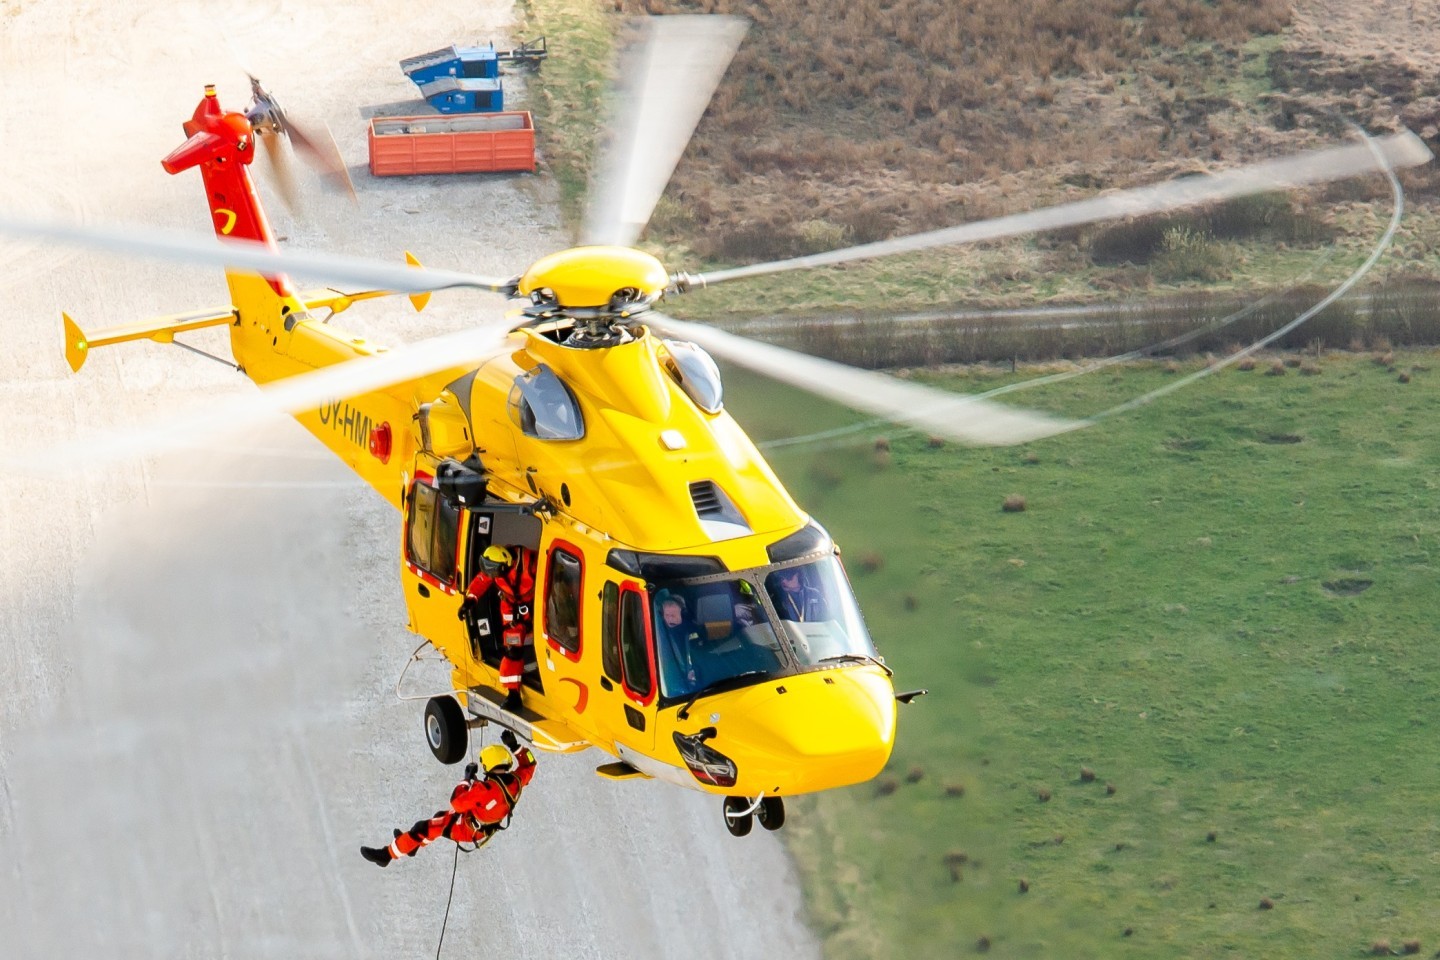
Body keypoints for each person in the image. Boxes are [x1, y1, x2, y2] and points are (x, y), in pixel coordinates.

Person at [360, 730, 537, 868]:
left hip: (467, 829)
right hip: (482, 826)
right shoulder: (515, 782)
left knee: (423, 827)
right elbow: (530, 763)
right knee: (438, 817)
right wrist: (516, 748)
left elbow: (457, 802)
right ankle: (412, 845)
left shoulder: (482, 790)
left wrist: (466, 779)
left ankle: (387, 855)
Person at [459, 544, 536, 713]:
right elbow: (481, 580)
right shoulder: (494, 568)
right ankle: (513, 693)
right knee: (512, 650)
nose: (491, 575)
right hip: (511, 611)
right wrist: (470, 600)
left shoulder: (531, 563)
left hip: (536, 606)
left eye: (494, 572)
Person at [656, 593, 705, 695]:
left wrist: (694, 670)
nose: (669, 619)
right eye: (667, 616)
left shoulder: (693, 631)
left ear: (683, 614)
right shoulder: (661, 633)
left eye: (673, 616)